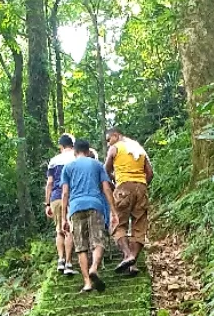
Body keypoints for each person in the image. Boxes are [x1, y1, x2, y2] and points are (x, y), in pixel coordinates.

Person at [60, 138, 114, 294]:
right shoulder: (97, 165)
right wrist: (113, 211)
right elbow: (106, 188)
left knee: (81, 247)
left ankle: (87, 283)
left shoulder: (68, 167)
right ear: (88, 151)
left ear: (75, 151)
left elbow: (65, 193)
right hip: (95, 205)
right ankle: (94, 267)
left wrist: (63, 218)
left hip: (75, 208)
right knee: (99, 240)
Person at [104, 126, 153, 276]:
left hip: (123, 187)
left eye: (108, 139)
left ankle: (128, 255)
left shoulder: (115, 148)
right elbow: (150, 173)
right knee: (139, 226)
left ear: (116, 135)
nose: (108, 143)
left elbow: (105, 170)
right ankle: (133, 264)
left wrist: (115, 183)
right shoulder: (139, 148)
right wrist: (142, 186)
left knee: (118, 223)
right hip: (141, 187)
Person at [44, 133, 76, 275]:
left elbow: (49, 183)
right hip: (72, 196)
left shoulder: (53, 160)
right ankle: (69, 263)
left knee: (59, 230)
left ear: (61, 146)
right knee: (69, 229)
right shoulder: (76, 157)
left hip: (56, 197)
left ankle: (60, 260)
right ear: (72, 145)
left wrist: (47, 203)